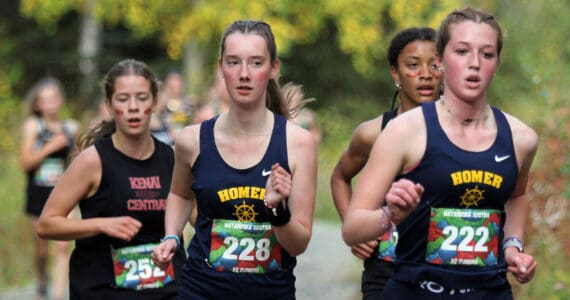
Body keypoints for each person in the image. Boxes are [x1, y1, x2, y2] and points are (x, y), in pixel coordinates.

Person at [342, 7, 538, 299]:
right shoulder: (403, 131)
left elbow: (517, 196)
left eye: (486, 54)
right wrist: (389, 215)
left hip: (490, 292)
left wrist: (513, 247)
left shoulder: (521, 138)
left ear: (496, 63)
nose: (474, 63)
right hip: (414, 291)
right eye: (461, 52)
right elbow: (353, 229)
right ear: (439, 62)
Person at [152, 20, 317, 299]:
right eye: (233, 62)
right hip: (200, 290)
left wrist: (276, 210)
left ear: (273, 68)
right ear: (221, 68)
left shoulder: (297, 143)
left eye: (255, 63)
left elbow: (298, 244)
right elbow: (180, 194)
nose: (243, 74)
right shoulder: (192, 140)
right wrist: (171, 235)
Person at [36, 59, 186, 299]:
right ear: (109, 104)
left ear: (155, 102)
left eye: (142, 98)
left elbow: (201, 216)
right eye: (123, 99)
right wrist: (101, 224)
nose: (133, 107)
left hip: (166, 291)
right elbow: (46, 224)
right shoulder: (92, 161)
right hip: (104, 290)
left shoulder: (174, 159)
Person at [331, 27, 442, 299]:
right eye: (413, 65)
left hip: (441, 271)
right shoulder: (373, 132)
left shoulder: (463, 132)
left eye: (435, 64)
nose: (425, 74)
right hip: (386, 270)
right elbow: (339, 178)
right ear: (395, 72)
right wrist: (356, 230)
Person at [19, 77, 80, 300]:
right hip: (38, 192)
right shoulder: (33, 126)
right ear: (37, 105)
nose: (51, 103)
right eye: (45, 100)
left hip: (63, 193)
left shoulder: (71, 127)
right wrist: (50, 147)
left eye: (54, 98)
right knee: (42, 248)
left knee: (63, 246)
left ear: (61, 101)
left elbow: (76, 163)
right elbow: (25, 163)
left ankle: (57, 295)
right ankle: (42, 277)